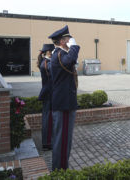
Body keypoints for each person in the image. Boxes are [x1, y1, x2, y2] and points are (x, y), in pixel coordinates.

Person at [48, 25, 80, 170]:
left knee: (63, 139)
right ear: (62, 41)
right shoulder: (59, 55)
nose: (70, 40)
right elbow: (69, 60)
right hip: (64, 103)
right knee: (63, 139)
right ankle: (60, 171)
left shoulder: (59, 54)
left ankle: (60, 168)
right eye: (68, 38)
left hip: (64, 102)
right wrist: (74, 46)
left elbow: (70, 62)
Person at [38, 44, 55, 151]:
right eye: (53, 51)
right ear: (49, 52)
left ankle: (48, 142)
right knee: (48, 119)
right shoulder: (46, 63)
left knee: (48, 118)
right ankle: (47, 143)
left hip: (49, 93)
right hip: (49, 94)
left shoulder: (46, 61)